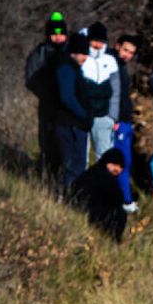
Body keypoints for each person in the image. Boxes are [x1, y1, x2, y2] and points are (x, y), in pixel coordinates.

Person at [25, 11, 69, 174]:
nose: (58, 38)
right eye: (54, 34)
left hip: (67, 107)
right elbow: (31, 79)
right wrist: (47, 93)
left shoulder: (70, 52)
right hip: (48, 105)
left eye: (61, 34)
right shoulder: (39, 53)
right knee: (47, 140)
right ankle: (47, 174)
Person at [53, 32, 95, 190]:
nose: (85, 58)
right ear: (74, 52)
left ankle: (74, 197)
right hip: (70, 125)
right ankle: (68, 197)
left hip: (76, 125)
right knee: (72, 166)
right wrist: (84, 115)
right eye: (83, 54)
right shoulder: (66, 68)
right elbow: (67, 97)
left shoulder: (74, 68)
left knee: (78, 165)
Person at [108, 34, 140, 212]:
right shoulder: (110, 63)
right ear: (118, 46)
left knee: (126, 162)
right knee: (118, 163)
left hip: (126, 122)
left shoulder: (122, 67)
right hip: (117, 122)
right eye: (126, 50)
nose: (128, 55)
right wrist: (113, 118)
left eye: (131, 53)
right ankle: (122, 200)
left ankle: (125, 198)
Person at [71, 148, 128, 241]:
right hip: (92, 212)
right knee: (118, 213)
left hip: (83, 209)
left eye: (120, 167)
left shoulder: (92, 172)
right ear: (108, 163)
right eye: (115, 166)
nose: (118, 170)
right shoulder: (104, 176)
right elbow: (117, 197)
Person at [82, 22, 120, 160]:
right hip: (83, 116)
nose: (97, 45)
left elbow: (116, 91)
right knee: (81, 156)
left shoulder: (110, 61)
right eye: (94, 41)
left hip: (103, 117)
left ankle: (103, 181)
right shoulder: (82, 58)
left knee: (104, 157)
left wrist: (113, 117)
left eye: (101, 42)